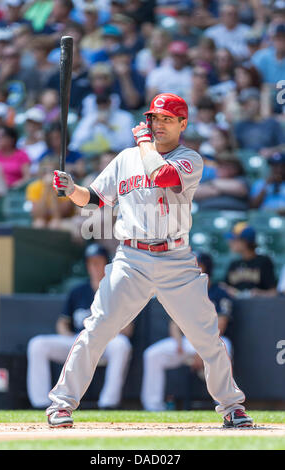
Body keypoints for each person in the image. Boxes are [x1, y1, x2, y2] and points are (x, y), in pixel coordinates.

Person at [50, 92, 253, 429]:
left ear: (183, 123)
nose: (157, 124)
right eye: (153, 118)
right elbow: (96, 200)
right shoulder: (126, 158)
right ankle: (61, 404)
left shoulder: (190, 158)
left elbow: (163, 176)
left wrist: (145, 142)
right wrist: (72, 189)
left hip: (176, 259)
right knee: (96, 328)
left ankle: (231, 406)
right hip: (132, 257)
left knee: (207, 338)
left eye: (166, 119)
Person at [27, 243, 134, 409]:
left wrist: (106, 330)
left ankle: (108, 403)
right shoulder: (78, 291)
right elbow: (62, 322)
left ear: (107, 263)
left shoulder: (117, 289)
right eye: (91, 262)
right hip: (79, 339)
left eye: (98, 262)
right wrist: (70, 336)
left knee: (121, 344)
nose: (95, 266)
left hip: (105, 343)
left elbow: (128, 329)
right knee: (37, 344)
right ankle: (40, 403)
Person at [141, 253, 233, 411]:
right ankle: (153, 407)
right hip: (186, 343)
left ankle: (225, 404)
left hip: (210, 341)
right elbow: (174, 324)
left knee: (226, 346)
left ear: (204, 268)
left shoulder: (219, 292)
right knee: (152, 354)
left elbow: (220, 325)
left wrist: (201, 349)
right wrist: (177, 342)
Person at [224, 222, 277, 298]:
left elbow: (274, 293)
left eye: (234, 239)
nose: (230, 243)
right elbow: (224, 287)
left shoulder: (263, 262)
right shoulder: (234, 264)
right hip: (237, 308)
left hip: (258, 307)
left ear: (245, 241)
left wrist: (259, 294)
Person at [25, 157, 75, 229]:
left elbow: (59, 215)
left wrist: (52, 189)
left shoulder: (66, 186)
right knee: (39, 224)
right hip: (43, 219)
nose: (48, 174)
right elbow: (38, 215)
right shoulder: (34, 186)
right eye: (45, 171)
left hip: (64, 219)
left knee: (55, 224)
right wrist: (46, 189)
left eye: (52, 171)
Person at [234, 88, 285, 157]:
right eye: (243, 105)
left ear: (258, 103)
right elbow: (236, 151)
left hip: (271, 162)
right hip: (248, 163)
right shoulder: (239, 126)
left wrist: (271, 151)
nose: (245, 107)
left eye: (248, 103)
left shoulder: (272, 123)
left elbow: (283, 147)